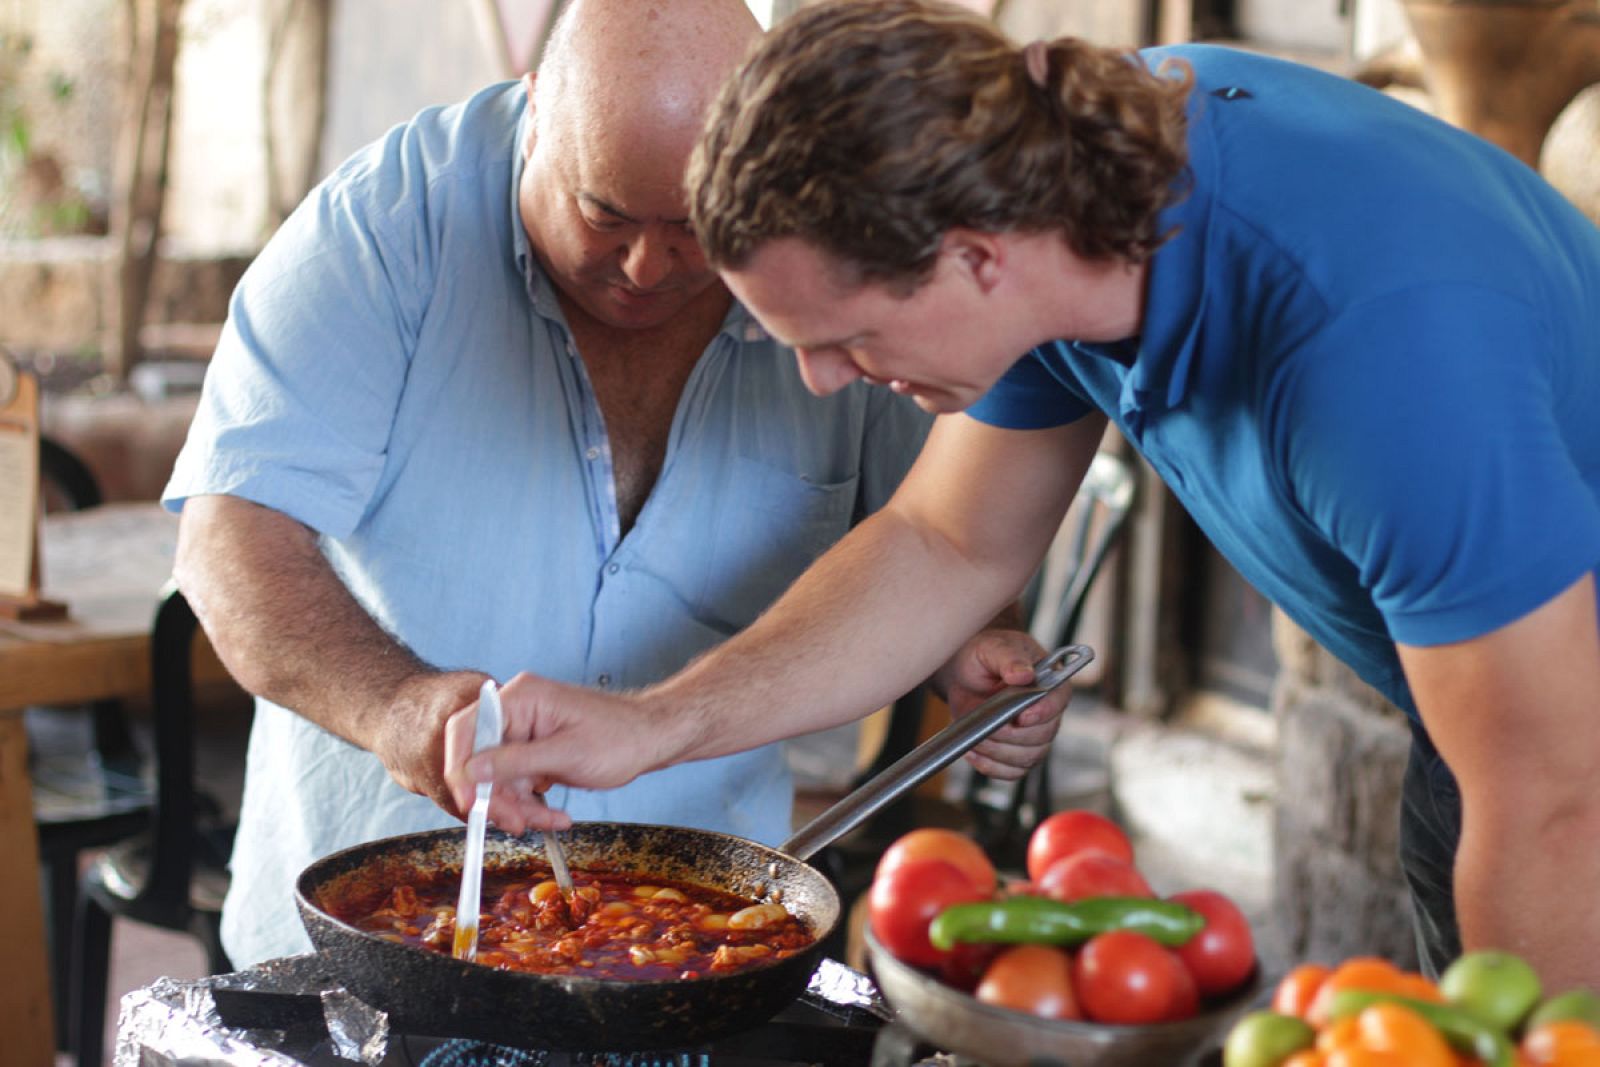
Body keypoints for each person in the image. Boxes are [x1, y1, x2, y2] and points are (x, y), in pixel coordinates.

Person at [450, 0, 1600, 988]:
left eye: (846, 337)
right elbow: (944, 543)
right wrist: (650, 725)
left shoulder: (1381, 355)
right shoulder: (1063, 194)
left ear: (973, 255)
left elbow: (1555, 798)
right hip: (1500, 730)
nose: (821, 378)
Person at [165, 0, 1070, 969]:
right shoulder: (380, 231)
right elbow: (228, 543)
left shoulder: (826, 262)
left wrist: (970, 647)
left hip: (696, 946)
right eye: (602, 214)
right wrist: (398, 710)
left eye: (690, 228)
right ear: (532, 113)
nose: (644, 267)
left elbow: (947, 534)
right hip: (371, 935)